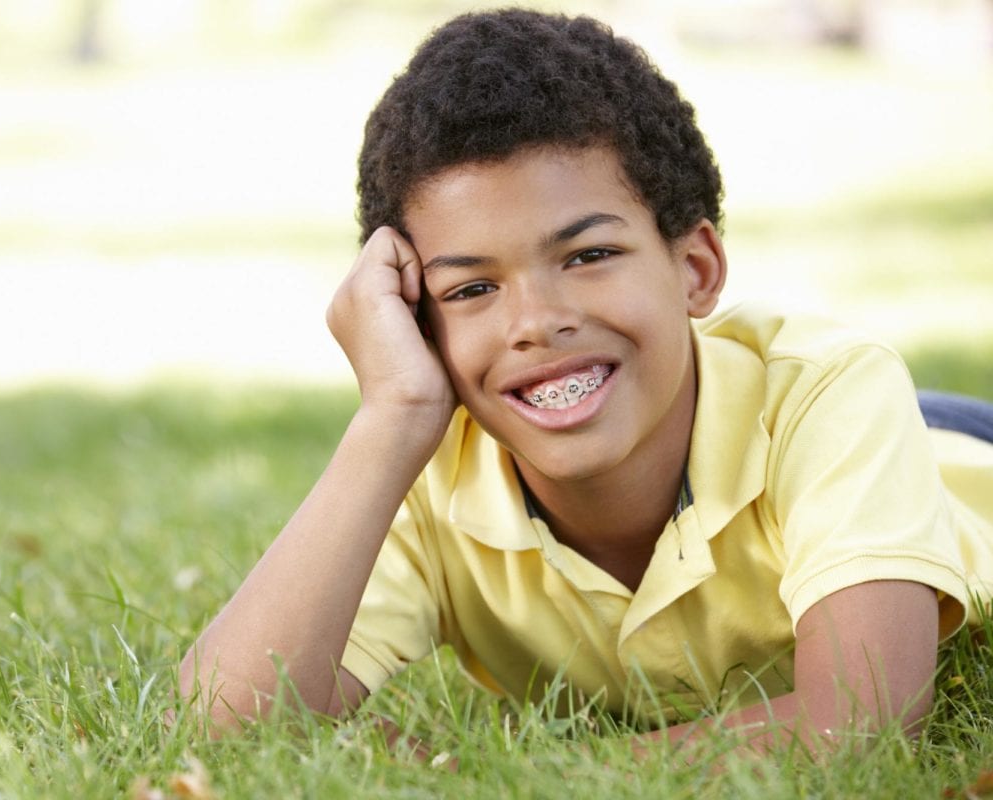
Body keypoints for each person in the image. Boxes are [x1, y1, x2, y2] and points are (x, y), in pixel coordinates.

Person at [178, 8, 993, 755]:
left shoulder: (830, 395)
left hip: (946, 448)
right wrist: (392, 418)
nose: (534, 321)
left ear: (695, 268)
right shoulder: (432, 482)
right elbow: (220, 723)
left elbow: (863, 716)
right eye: (470, 289)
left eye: (588, 255)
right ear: (419, 320)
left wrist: (527, 773)